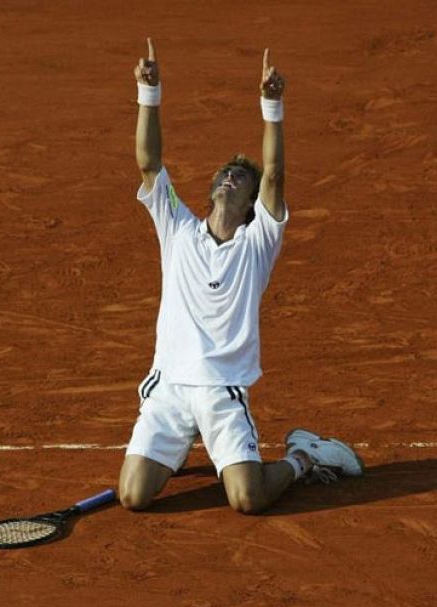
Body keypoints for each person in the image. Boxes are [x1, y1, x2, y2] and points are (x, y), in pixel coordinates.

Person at [119, 38, 364, 515]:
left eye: (240, 177)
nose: (229, 178)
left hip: (222, 388)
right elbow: (148, 163)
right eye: (224, 175)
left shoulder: (257, 243)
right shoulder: (177, 227)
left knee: (248, 499)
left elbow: (275, 175)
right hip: (169, 387)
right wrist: (149, 92)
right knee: (133, 496)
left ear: (252, 202)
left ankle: (305, 456)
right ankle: (182, 445)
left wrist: (272, 105)